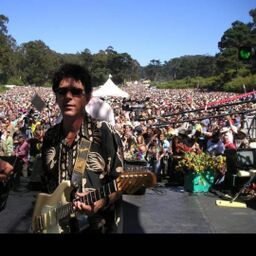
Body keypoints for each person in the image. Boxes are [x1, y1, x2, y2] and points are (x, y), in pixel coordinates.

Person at [41, 63, 124, 233]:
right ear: (56, 97)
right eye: (62, 91)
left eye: (76, 91)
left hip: (98, 226)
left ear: (87, 97)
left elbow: (121, 183)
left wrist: (102, 200)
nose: (68, 97)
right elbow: (46, 186)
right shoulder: (50, 137)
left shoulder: (105, 133)